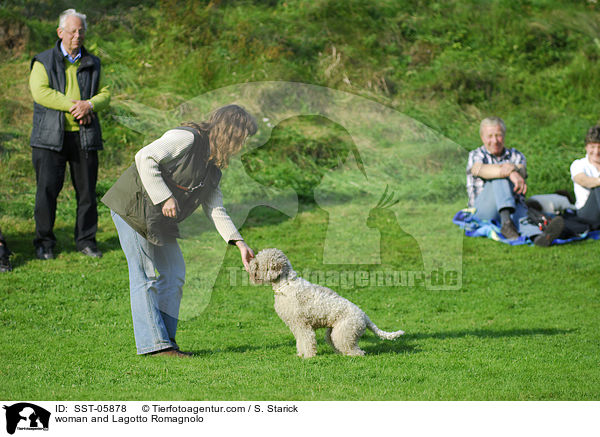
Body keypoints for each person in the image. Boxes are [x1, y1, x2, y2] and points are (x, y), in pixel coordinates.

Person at [102, 105, 257, 357]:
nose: (243, 145)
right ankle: (154, 346)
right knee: (145, 275)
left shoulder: (212, 167)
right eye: (243, 137)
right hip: (132, 206)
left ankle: (166, 340)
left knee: (174, 273)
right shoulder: (187, 137)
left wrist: (239, 243)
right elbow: (145, 157)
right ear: (231, 132)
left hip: (158, 218)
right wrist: (165, 198)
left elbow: (215, 208)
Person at [29, 9, 110, 260]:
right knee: (46, 192)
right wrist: (76, 106)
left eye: (81, 30)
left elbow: (105, 92)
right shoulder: (43, 60)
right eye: (73, 31)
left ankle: (86, 240)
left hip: (84, 136)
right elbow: (40, 92)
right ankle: (44, 243)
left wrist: (90, 105)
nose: (77, 35)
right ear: (60, 32)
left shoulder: (93, 62)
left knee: (87, 193)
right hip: (49, 138)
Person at [466, 117, 564, 246]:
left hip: (514, 206)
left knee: (522, 217)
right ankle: (506, 222)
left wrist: (515, 169)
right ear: (482, 137)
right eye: (490, 136)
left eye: (498, 135)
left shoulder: (516, 155)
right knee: (498, 178)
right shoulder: (476, 155)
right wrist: (511, 171)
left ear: (504, 136)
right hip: (484, 210)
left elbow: (522, 171)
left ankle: (538, 237)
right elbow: (480, 170)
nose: (494, 141)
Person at [570, 125, 600, 229]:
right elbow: (582, 180)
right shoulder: (578, 164)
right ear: (586, 147)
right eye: (593, 147)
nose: (596, 152)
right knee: (598, 186)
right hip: (586, 213)